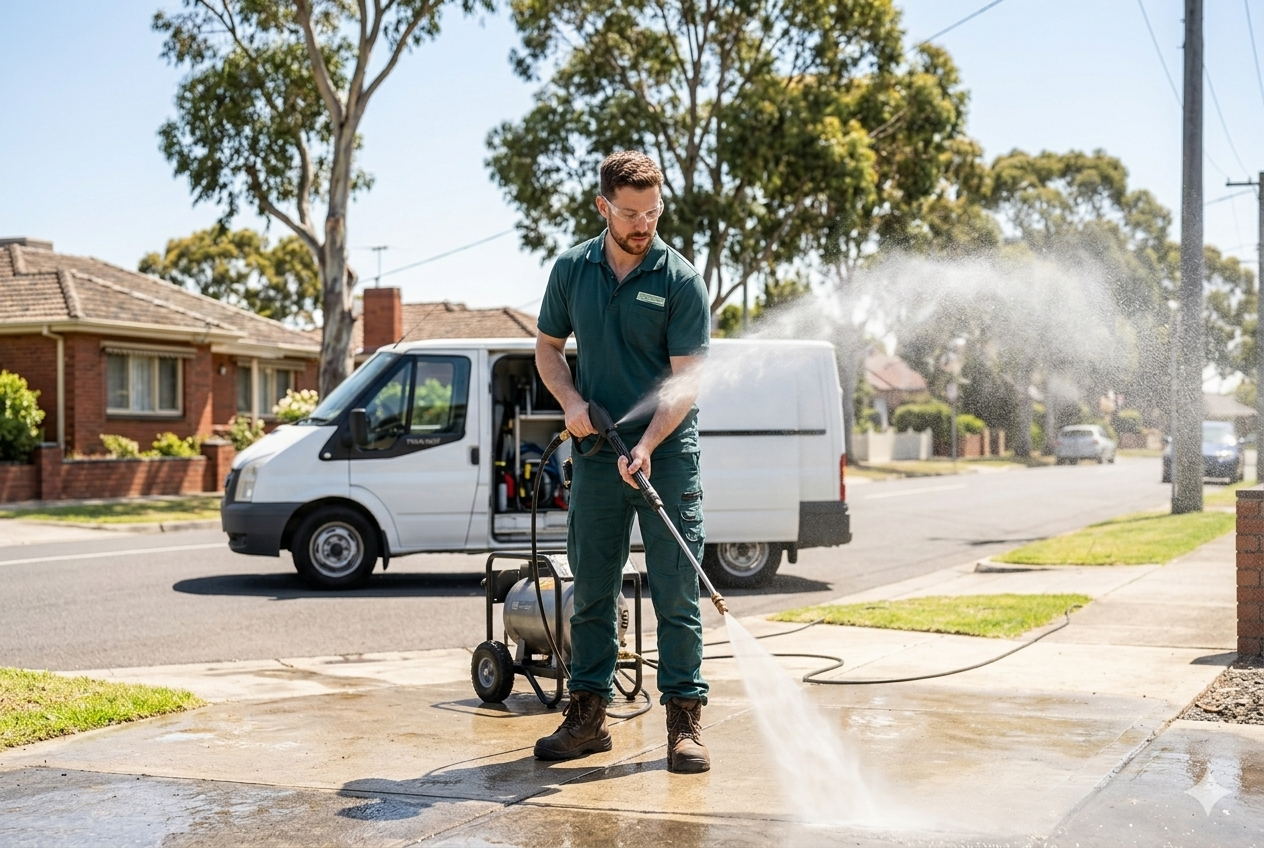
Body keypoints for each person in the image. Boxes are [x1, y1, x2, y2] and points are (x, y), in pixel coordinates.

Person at [532, 151, 713, 774]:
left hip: (665, 458)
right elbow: (547, 349)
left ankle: (685, 723)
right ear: (603, 206)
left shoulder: (680, 279)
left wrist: (647, 446)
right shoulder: (571, 270)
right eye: (631, 213)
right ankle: (587, 716)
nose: (644, 224)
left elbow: (687, 384)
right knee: (593, 591)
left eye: (653, 211)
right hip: (594, 453)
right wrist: (572, 401)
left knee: (676, 592)